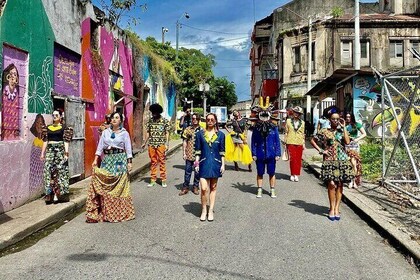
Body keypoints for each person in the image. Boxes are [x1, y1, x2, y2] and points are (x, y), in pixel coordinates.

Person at [86, 111, 135, 223]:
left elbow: (128, 149)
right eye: (113, 117)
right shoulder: (105, 132)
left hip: (119, 161)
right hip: (107, 160)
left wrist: (129, 162)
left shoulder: (124, 133)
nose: (114, 119)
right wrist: (95, 160)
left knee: (119, 185)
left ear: (120, 120)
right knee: (106, 184)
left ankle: (119, 213)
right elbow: (100, 147)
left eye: (117, 118)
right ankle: (106, 213)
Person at [310, 107, 354, 221]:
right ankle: (331, 208)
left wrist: (344, 127)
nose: (335, 121)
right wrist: (321, 150)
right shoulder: (324, 131)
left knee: (339, 184)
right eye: (333, 119)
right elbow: (313, 140)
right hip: (329, 160)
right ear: (329, 120)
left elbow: (347, 142)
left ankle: (337, 208)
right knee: (331, 184)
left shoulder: (342, 130)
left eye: (337, 119)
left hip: (342, 160)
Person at [194, 113, 225, 222]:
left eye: (212, 119)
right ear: (206, 121)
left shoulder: (221, 135)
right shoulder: (199, 134)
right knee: (203, 188)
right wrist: (196, 163)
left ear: (215, 121)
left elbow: (222, 151)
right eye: (208, 119)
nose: (210, 121)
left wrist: (223, 164)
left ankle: (210, 210)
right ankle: (204, 210)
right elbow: (197, 150)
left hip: (216, 163)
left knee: (213, 187)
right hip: (203, 163)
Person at [250, 97, 281, 198]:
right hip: (259, 154)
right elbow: (253, 141)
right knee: (260, 173)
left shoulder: (274, 127)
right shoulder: (256, 128)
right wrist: (253, 154)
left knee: (272, 173)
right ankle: (259, 190)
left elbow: (277, 141)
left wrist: (277, 153)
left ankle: (272, 190)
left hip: (271, 155)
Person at [40, 110, 73, 204]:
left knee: (59, 172)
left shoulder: (64, 128)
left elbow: (66, 141)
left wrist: (66, 153)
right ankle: (49, 194)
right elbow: (45, 141)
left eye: (56, 115)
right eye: (53, 115)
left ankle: (57, 194)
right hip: (50, 152)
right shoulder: (47, 128)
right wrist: (42, 153)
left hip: (60, 151)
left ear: (60, 117)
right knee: (48, 171)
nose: (54, 117)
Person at [142, 103, 170, 187]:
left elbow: (167, 133)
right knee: (153, 162)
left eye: (155, 112)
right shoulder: (150, 121)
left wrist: (167, 144)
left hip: (161, 144)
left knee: (162, 162)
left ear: (158, 112)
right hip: (151, 144)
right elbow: (147, 132)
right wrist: (145, 142)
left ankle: (163, 179)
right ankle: (153, 179)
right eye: (152, 112)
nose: (153, 114)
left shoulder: (164, 121)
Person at [179, 113, 202, 196]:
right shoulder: (188, 129)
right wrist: (184, 153)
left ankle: (195, 187)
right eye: (193, 118)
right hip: (189, 154)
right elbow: (184, 141)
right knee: (187, 172)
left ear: (199, 119)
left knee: (197, 172)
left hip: (199, 156)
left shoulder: (203, 130)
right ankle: (185, 187)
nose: (194, 120)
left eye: (196, 118)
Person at [344, 112, 367, 188]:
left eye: (349, 117)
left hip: (354, 145)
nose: (348, 118)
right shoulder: (344, 125)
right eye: (346, 117)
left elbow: (364, 134)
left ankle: (353, 181)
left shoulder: (356, 124)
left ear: (352, 117)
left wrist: (357, 139)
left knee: (354, 163)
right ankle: (351, 180)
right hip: (346, 145)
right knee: (349, 163)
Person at [285, 106, 305, 182]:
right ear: (293, 113)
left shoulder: (303, 123)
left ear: (300, 114)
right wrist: (285, 141)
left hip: (299, 142)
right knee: (293, 158)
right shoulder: (288, 121)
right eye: (295, 112)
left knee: (298, 159)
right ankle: (292, 173)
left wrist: (303, 143)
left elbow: (303, 133)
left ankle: (296, 174)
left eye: (298, 113)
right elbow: (286, 132)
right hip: (290, 141)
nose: (296, 114)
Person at [1, 63, 20, 140]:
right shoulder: (4, 90)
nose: (13, 76)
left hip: (14, 125)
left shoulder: (17, 92)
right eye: (11, 74)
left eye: (15, 74)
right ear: (7, 76)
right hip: (5, 124)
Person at [29, 114, 46, 193]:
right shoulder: (35, 141)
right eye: (37, 123)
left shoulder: (45, 140)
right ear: (35, 125)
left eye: (41, 123)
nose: (39, 125)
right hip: (34, 175)